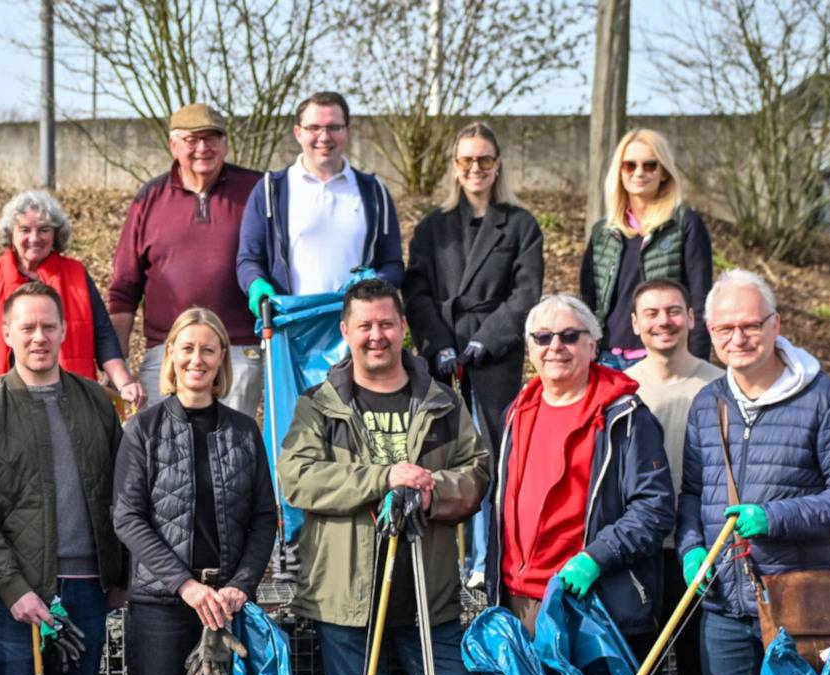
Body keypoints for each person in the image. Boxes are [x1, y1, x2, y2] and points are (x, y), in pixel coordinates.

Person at [278, 277, 490, 675]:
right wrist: (383, 478)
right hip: (344, 596)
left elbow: (477, 474)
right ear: (345, 331)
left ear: (404, 328)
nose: (377, 336)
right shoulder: (319, 404)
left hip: (427, 595)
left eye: (387, 324)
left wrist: (432, 489)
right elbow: (298, 479)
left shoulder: (442, 402)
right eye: (365, 326)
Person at [677, 269, 830, 675]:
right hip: (722, 603)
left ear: (775, 324)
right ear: (711, 333)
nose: (738, 338)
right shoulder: (708, 404)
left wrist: (775, 517)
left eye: (751, 325)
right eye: (725, 329)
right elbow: (691, 495)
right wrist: (691, 549)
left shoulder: (824, 399)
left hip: (796, 603)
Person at [0, 280, 125, 675]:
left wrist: (121, 575)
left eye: (49, 326)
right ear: (6, 332)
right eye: (27, 327)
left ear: (65, 330)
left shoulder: (97, 402)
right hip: (15, 595)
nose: (39, 337)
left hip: (89, 590)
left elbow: (121, 493)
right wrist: (12, 589)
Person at [113, 309, 278, 675]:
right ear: (171, 355)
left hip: (226, 607)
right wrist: (184, 585)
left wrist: (240, 586)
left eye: (208, 349)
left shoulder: (244, 431)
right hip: (161, 607)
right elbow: (127, 517)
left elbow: (265, 517)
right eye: (187, 348)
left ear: (222, 356)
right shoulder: (143, 429)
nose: (197, 359)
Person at [486, 296, 673, 647]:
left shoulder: (627, 417)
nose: (555, 346)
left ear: (592, 345)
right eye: (542, 337)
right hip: (520, 604)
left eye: (569, 336)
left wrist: (595, 558)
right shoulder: (516, 413)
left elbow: (654, 509)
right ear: (529, 349)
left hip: (595, 607)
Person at [108, 103, 265, 419]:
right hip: (167, 353)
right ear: (173, 145)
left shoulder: (257, 190)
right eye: (192, 140)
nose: (203, 148)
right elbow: (124, 289)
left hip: (239, 352)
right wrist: (117, 363)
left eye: (212, 138)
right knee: (165, 451)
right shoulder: (149, 199)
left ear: (225, 143)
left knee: (230, 453)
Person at [403, 121, 545, 451]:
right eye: (466, 160)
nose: (475, 168)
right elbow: (417, 291)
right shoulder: (432, 226)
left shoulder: (521, 224)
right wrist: (439, 344)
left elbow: (525, 292)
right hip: (442, 350)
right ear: (455, 166)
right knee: (438, 449)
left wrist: (488, 339)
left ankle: (496, 506)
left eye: (484, 160)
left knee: (498, 448)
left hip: (495, 352)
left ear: (498, 165)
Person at [626, 277, 720, 675]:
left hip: (702, 552)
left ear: (691, 318)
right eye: (652, 313)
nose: (664, 321)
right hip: (640, 556)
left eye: (674, 311)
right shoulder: (622, 389)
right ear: (635, 324)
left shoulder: (719, 384)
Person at [0, 189, 141, 411]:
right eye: (24, 230)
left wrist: (124, 383)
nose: (34, 238)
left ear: (55, 235)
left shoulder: (77, 274)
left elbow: (103, 336)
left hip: (67, 399)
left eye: (43, 230)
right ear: (11, 234)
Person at [237, 91, 404, 319]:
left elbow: (393, 263)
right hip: (292, 327)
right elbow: (249, 259)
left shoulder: (374, 192)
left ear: (347, 132)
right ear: (298, 132)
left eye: (334, 127)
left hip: (357, 331)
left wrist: (376, 282)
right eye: (314, 128)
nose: (324, 137)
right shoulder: (270, 190)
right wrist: (256, 285)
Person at [579, 129, 713, 367]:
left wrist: (696, 364)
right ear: (619, 172)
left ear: (663, 173)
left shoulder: (684, 224)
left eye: (650, 165)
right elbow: (588, 303)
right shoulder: (603, 232)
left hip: (661, 358)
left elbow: (700, 301)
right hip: (607, 359)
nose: (639, 172)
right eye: (630, 165)